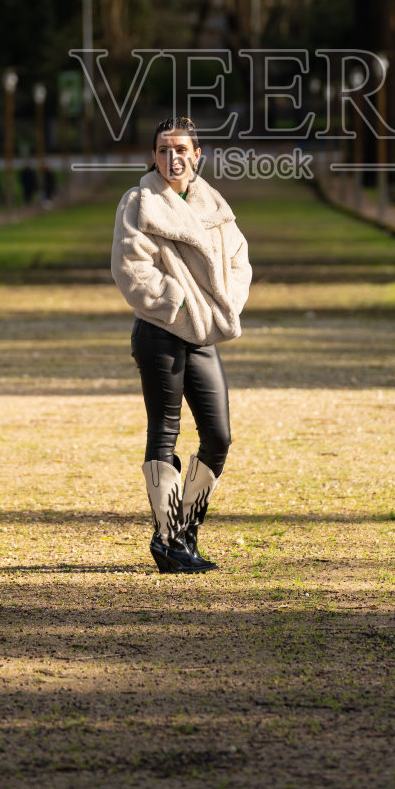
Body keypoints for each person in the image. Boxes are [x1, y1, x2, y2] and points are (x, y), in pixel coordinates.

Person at [111, 116, 251, 575]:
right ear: (153, 156)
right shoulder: (139, 202)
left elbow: (238, 260)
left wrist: (224, 303)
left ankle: (182, 533)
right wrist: (178, 302)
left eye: (182, 149)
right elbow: (130, 269)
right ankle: (169, 542)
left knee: (218, 436)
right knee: (164, 430)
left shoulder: (215, 204)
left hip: (203, 332)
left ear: (197, 155)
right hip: (160, 329)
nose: (173, 157)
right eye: (164, 149)